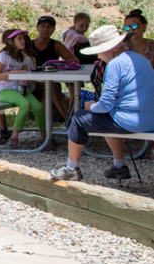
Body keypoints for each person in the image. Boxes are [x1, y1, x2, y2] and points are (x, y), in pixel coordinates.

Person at [51, 26, 154, 182]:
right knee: (104, 117)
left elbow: (105, 105)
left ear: (107, 50)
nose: (97, 56)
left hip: (130, 121)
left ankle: (71, 169)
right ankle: (119, 166)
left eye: (97, 52)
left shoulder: (114, 65)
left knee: (79, 118)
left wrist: (90, 106)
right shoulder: (140, 58)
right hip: (150, 119)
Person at [0, 29, 45, 150]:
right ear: (10, 42)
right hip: (5, 90)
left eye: (23, 38)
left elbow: (25, 77)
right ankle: (14, 138)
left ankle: (45, 138)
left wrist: (26, 78)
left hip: (20, 89)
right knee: (25, 105)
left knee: (39, 108)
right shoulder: (3, 56)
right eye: (19, 38)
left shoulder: (23, 58)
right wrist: (12, 73)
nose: (23, 41)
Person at [33, 15, 80, 121]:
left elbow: (75, 60)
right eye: (43, 26)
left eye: (49, 27)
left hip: (51, 84)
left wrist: (58, 64)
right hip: (32, 84)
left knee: (48, 90)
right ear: (37, 28)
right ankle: (69, 120)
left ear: (53, 30)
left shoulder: (56, 44)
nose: (45, 29)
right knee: (50, 86)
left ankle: (46, 131)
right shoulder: (29, 45)